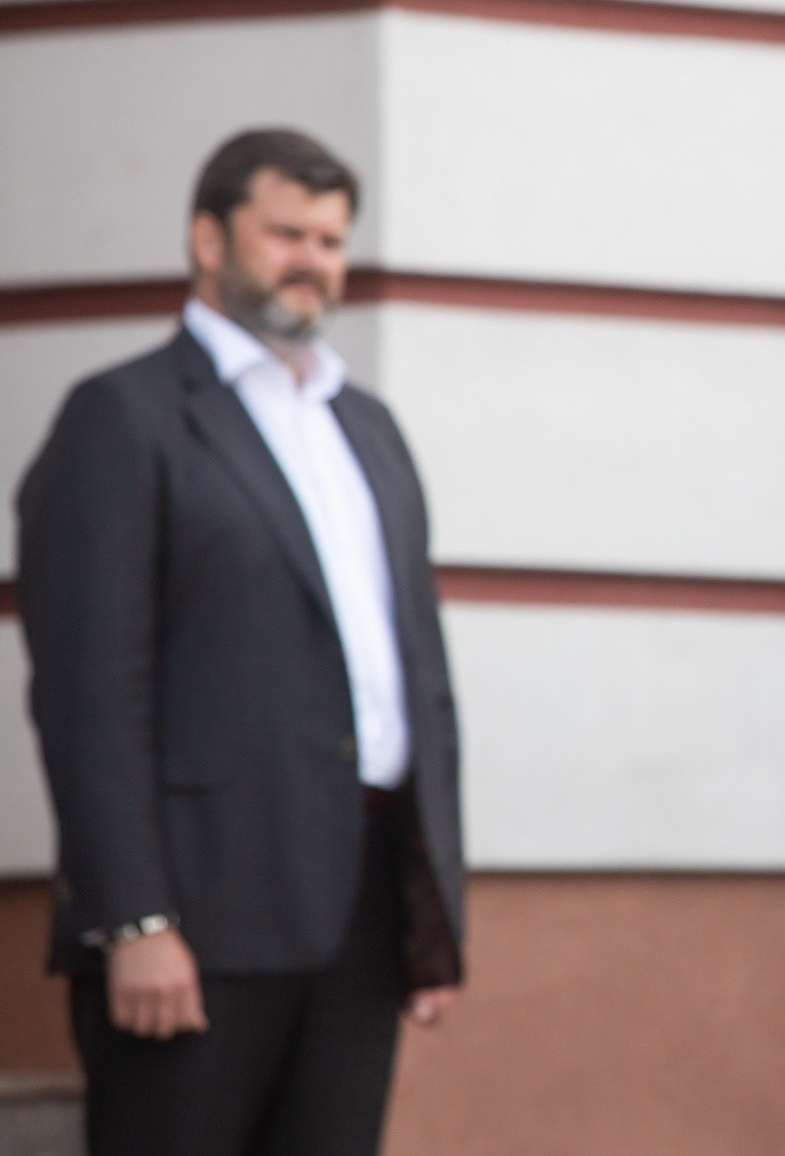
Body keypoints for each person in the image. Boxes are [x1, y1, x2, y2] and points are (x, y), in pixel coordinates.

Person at [14, 129, 464, 1156]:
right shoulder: (122, 419)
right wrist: (131, 918)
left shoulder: (370, 428)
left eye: (331, 238)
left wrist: (431, 912)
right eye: (286, 232)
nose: (313, 258)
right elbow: (87, 694)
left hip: (357, 913)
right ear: (206, 236)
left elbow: (415, 680)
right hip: (195, 922)